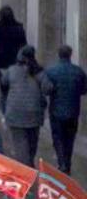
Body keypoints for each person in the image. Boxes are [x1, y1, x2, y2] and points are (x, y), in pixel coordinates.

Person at [41, 45, 87, 173]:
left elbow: (46, 90)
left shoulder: (51, 72)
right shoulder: (78, 72)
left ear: (59, 55)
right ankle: (67, 161)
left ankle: (62, 163)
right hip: (73, 111)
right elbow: (84, 90)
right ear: (70, 55)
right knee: (70, 138)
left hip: (56, 111)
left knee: (58, 138)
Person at [4, 45, 46, 167]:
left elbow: (4, 81)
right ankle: (29, 164)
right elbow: (48, 87)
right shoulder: (39, 72)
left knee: (20, 144)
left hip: (15, 113)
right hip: (34, 114)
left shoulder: (12, 70)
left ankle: (26, 169)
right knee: (32, 143)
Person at [0, 5, 28, 114]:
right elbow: (23, 43)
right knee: (15, 87)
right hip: (15, 61)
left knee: (3, 89)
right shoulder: (19, 27)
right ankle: (14, 110)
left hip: (1, 62)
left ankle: (4, 112)